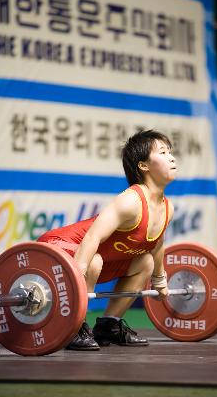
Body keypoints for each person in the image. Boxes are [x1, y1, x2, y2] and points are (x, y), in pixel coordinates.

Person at [38, 130, 177, 350]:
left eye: (170, 152)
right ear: (143, 166)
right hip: (55, 247)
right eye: (163, 152)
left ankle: (109, 326)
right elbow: (93, 237)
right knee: (94, 261)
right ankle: (73, 328)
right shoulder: (130, 200)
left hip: (97, 258)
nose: (171, 157)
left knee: (145, 263)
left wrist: (160, 280)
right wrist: (77, 274)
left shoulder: (167, 208)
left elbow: (157, 244)